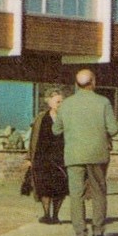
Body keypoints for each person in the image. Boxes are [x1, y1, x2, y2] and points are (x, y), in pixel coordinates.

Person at [55, 68, 118, 236]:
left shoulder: (66, 104)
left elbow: (56, 130)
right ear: (94, 82)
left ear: (76, 84)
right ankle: (98, 231)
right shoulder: (103, 102)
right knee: (99, 192)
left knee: (76, 195)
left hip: (74, 155)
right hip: (98, 154)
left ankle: (80, 234)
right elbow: (113, 129)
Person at [27, 88, 69, 224]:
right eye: (57, 101)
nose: (59, 103)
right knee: (44, 186)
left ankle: (56, 215)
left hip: (61, 158)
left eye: (61, 101)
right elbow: (33, 138)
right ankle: (46, 214)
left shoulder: (67, 119)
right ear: (48, 102)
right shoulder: (41, 118)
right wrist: (29, 157)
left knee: (60, 187)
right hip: (42, 157)